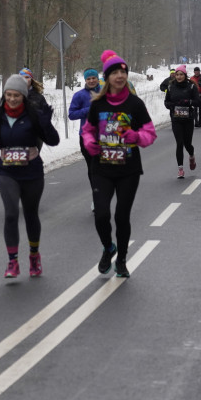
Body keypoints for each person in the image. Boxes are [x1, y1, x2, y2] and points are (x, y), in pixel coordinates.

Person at [82, 50, 157, 278]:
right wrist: (90, 143)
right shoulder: (98, 104)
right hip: (101, 168)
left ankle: (122, 259)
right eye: (114, 72)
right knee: (101, 215)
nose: (120, 76)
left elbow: (150, 133)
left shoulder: (135, 104)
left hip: (128, 169)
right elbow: (88, 131)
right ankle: (108, 247)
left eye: (123, 72)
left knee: (122, 217)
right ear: (107, 77)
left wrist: (136, 136)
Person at [0, 74, 60, 279]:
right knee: (11, 214)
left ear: (24, 96)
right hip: (7, 171)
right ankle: (13, 261)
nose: (12, 99)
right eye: (9, 95)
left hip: (31, 172)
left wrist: (46, 124)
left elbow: (53, 141)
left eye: (16, 95)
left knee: (30, 214)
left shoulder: (33, 115)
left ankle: (34, 255)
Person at [68, 68, 102, 210]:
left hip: (106, 136)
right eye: (89, 79)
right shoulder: (79, 95)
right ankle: (97, 198)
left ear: (97, 78)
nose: (91, 80)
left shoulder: (106, 93)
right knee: (93, 168)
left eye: (94, 78)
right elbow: (71, 114)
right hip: (87, 137)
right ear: (85, 80)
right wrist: (88, 110)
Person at [164, 65, 200, 178]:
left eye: (181, 74)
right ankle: (180, 169)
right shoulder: (171, 87)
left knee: (187, 144)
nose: (179, 77)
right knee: (179, 143)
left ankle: (191, 156)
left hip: (188, 119)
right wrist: (172, 105)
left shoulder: (191, 87)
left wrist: (188, 102)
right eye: (177, 74)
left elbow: (198, 101)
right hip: (176, 119)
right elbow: (166, 102)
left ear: (185, 75)